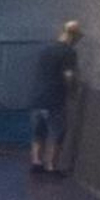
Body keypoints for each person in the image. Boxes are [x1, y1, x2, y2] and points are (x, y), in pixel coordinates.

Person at [31, 18, 82, 175]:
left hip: (37, 96)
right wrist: (74, 91)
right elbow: (68, 75)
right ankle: (51, 166)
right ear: (73, 36)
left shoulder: (45, 49)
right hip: (55, 98)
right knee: (57, 132)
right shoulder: (69, 52)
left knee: (39, 131)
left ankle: (36, 162)